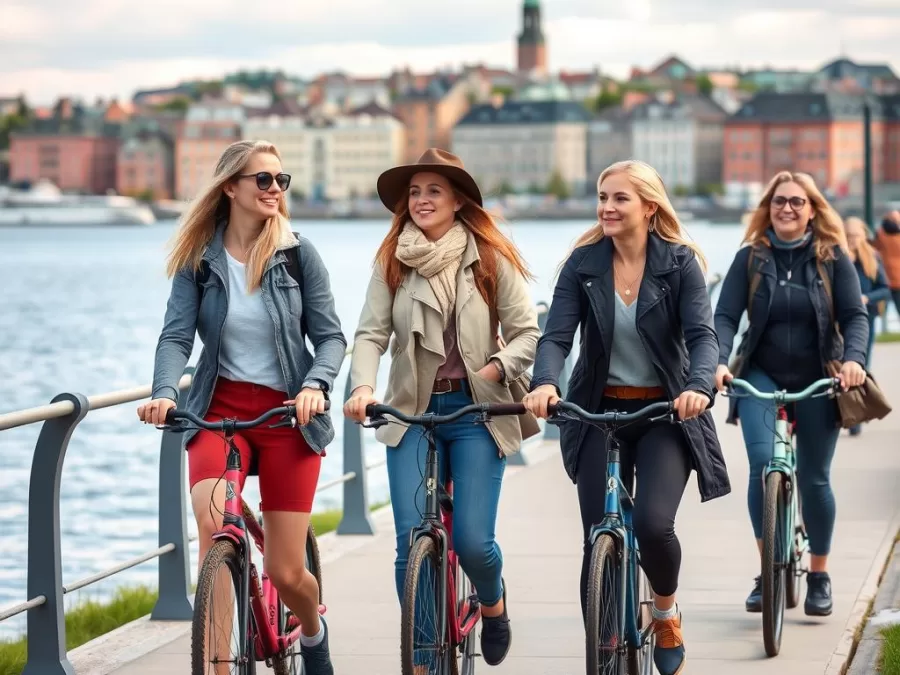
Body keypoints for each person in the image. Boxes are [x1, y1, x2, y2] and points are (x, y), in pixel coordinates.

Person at [137, 140, 346, 675]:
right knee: (213, 529)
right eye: (263, 180)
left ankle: (313, 629)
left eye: (281, 180)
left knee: (284, 570)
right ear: (230, 187)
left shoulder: (298, 254)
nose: (275, 189)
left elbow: (330, 339)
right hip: (218, 410)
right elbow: (175, 336)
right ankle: (219, 666)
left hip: (287, 418)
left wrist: (316, 385)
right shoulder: (199, 261)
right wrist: (164, 391)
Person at [523, 159, 729, 675]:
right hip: (598, 410)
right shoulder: (583, 264)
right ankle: (606, 640)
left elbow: (703, 337)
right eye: (602, 197)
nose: (607, 207)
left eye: (620, 198)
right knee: (597, 537)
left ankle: (664, 610)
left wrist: (698, 388)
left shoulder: (679, 264)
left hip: (665, 411)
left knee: (655, 526)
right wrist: (546, 382)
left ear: (649, 206)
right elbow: (555, 336)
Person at [343, 148, 540, 668]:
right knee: (411, 544)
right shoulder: (393, 260)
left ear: (457, 200)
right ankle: (426, 656)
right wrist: (363, 387)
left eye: (434, 190)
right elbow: (369, 334)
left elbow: (526, 335)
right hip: (411, 413)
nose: (422, 200)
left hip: (476, 412)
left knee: (474, 541)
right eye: (414, 191)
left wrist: (494, 370)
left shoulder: (490, 257)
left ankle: (493, 606)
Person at [713, 171, 868, 619]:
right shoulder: (750, 258)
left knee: (815, 478)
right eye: (780, 201)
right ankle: (768, 568)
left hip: (820, 375)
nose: (787, 208)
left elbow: (856, 316)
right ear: (768, 207)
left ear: (813, 209)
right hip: (760, 374)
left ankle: (819, 573)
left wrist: (854, 360)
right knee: (763, 468)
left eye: (797, 202)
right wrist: (719, 361)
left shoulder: (832, 258)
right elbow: (724, 317)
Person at [845, 216, 891, 435]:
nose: (852, 239)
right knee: (839, 368)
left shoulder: (872, 259)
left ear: (864, 235)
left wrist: (867, 298)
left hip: (865, 319)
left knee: (860, 367)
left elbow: (885, 289)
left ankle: (857, 418)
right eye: (848, 235)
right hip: (839, 322)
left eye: (855, 235)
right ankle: (845, 413)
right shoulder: (838, 257)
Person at [874, 210, 900, 321]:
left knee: (877, 312)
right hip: (893, 279)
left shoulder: (880, 234)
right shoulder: (882, 235)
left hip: (885, 278)